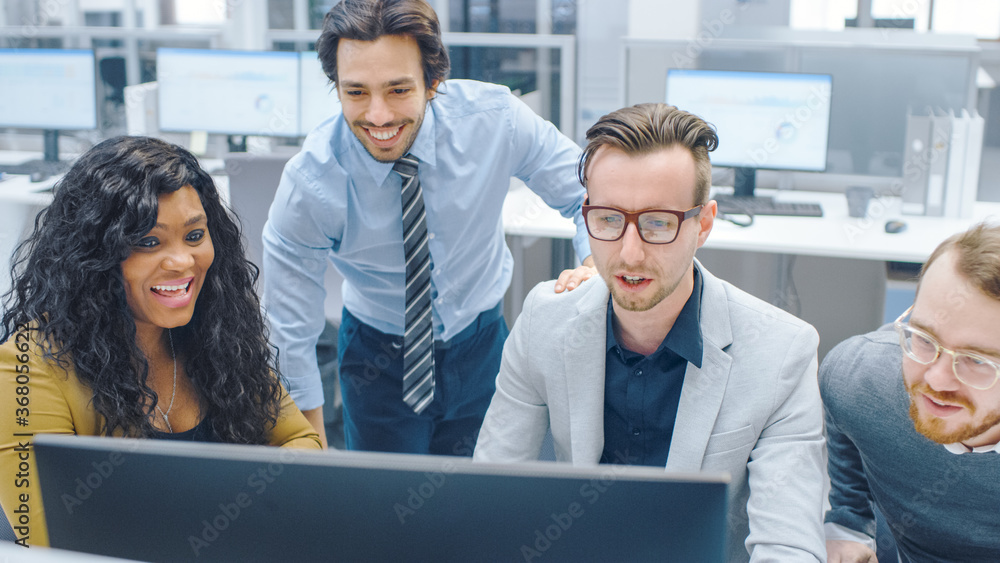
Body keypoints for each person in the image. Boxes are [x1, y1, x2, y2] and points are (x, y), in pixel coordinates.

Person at [474, 103, 827, 562]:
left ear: (703, 224)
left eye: (658, 222)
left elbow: (789, 546)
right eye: (609, 219)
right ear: (586, 217)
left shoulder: (782, 353)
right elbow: (492, 501)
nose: (630, 253)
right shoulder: (545, 320)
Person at [262, 0, 595, 454]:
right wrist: (309, 453)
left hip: (484, 345)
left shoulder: (495, 120)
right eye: (356, 92)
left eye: (398, 90)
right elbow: (289, 331)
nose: (378, 116)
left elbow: (587, 192)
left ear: (434, 81)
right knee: (385, 510)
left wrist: (595, 260)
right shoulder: (313, 180)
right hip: (376, 359)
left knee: (489, 500)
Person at [0, 136, 322, 547]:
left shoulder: (217, 331)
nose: (183, 262)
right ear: (92, 256)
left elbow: (301, 443)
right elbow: (50, 539)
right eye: (149, 242)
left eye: (194, 236)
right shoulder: (26, 368)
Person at [822, 223, 1000, 563]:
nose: (936, 379)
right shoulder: (860, 379)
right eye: (923, 337)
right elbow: (845, 427)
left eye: (975, 360)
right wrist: (850, 526)